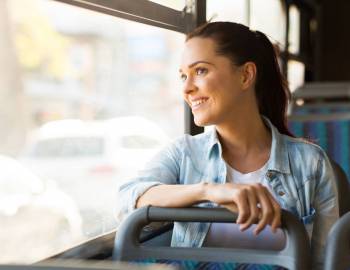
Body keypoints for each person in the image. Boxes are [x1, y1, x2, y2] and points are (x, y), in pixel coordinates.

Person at [117, 22, 338, 269]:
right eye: (183, 75)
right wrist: (207, 191)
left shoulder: (311, 164)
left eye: (200, 71)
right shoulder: (184, 154)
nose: (187, 88)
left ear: (245, 75)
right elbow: (128, 198)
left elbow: (325, 263)